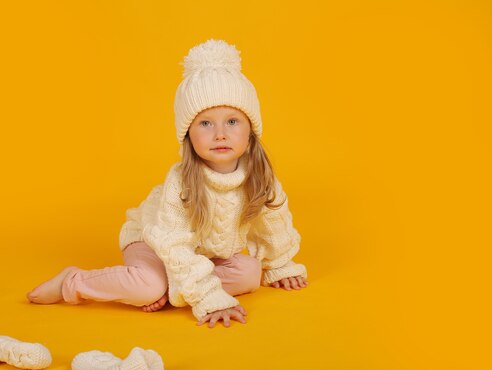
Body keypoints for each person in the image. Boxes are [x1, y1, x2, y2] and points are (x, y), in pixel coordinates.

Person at [27, 39, 308, 328]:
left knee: (249, 273)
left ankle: (173, 288)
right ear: (188, 135)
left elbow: (274, 224)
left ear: (251, 130)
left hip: (199, 255)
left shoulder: (261, 178)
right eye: (205, 123)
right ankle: (72, 282)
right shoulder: (182, 182)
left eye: (232, 121)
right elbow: (173, 244)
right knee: (148, 286)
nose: (220, 134)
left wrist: (281, 265)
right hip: (153, 242)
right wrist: (208, 297)